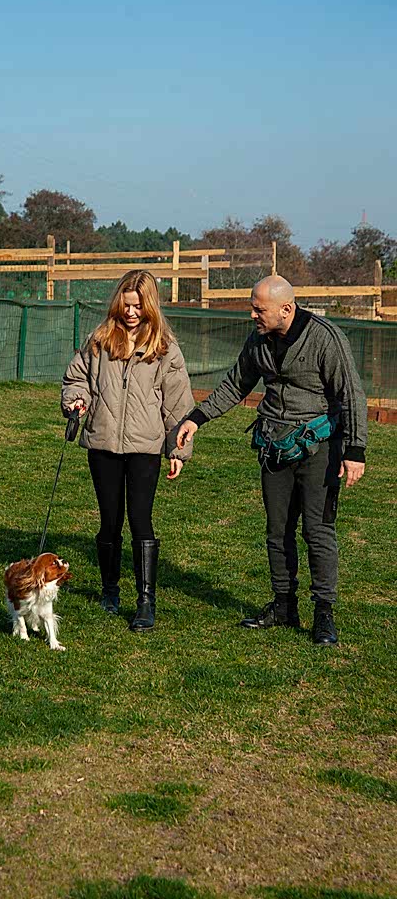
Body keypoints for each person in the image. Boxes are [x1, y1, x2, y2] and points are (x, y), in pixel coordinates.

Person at [176, 275, 367, 645]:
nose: (252, 315)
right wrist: (196, 419)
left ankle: (323, 613)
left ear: (286, 309)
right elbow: (236, 384)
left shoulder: (325, 338)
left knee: (317, 531)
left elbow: (351, 393)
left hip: (320, 448)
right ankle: (283, 605)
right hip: (274, 446)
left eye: (259, 309)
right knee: (277, 531)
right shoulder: (259, 340)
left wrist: (355, 450)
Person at [61, 270, 194, 632]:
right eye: (126, 305)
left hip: (144, 447)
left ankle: (145, 601)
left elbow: (178, 404)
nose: (131, 312)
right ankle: (109, 591)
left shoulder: (165, 347)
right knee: (109, 521)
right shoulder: (100, 340)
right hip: (102, 443)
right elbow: (77, 378)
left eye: (138, 306)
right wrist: (76, 400)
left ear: (149, 305)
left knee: (140, 520)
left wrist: (177, 451)